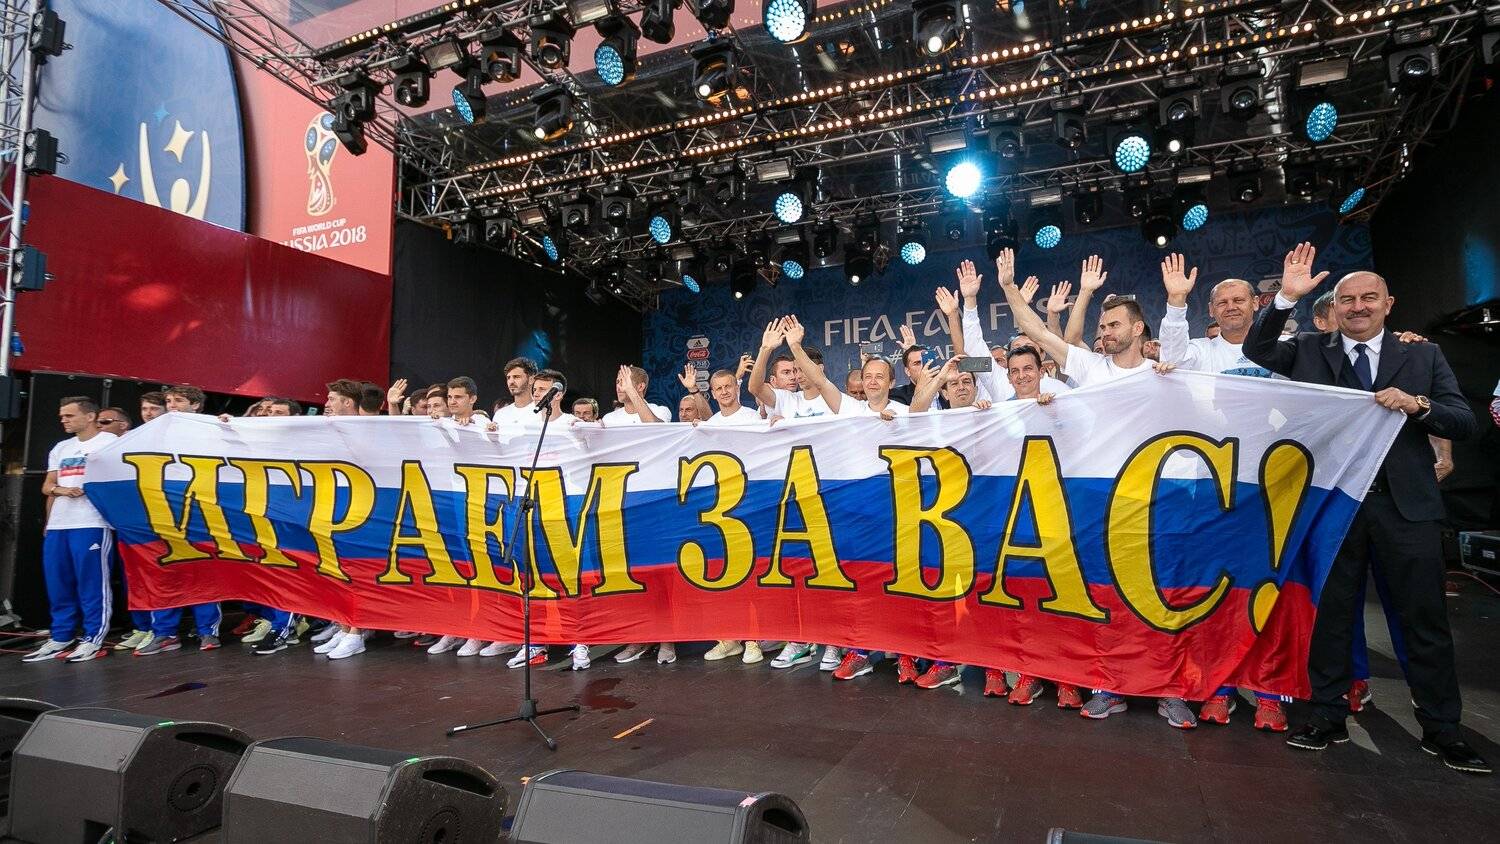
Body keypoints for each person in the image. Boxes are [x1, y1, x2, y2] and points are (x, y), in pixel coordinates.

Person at [1246, 243, 1485, 774]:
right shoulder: (1310, 350)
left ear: (1388, 304)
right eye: (1348, 299)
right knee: (1331, 617)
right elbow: (1259, 349)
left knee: (1423, 620)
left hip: (1407, 509)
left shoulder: (1422, 356)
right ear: (1335, 306)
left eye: (1368, 298)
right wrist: (1286, 297)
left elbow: (1463, 420)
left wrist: (1418, 405)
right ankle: (1326, 716)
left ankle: (1443, 729)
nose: (1357, 307)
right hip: (1334, 508)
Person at [991, 251, 1191, 727]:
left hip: (1158, 501)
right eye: (1102, 326)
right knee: (1104, 596)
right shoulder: (1091, 368)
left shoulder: (1165, 370)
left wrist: (1177, 303)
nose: (1105, 332)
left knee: (1163, 599)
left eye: (1114, 324)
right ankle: (1107, 686)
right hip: (1104, 503)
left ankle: (1169, 690)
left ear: (1138, 329)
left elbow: (1182, 352)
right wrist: (1008, 287)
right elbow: (1038, 333)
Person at [1155, 253, 1291, 729]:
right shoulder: (1200, 351)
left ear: (1257, 304)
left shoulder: (1285, 350)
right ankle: (1220, 687)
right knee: (1216, 589)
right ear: (1211, 311)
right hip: (1209, 487)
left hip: (1268, 486)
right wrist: (1176, 303)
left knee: (1264, 588)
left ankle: (1268, 692)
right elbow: (1172, 356)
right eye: (1222, 302)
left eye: (1239, 300)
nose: (1231, 307)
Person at [22, 398, 119, 663]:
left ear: (90, 416)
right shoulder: (61, 447)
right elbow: (47, 486)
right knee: (58, 583)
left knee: (91, 583)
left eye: (69, 415)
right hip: (59, 523)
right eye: (62, 416)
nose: (63, 420)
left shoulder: (109, 442)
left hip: (92, 522)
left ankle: (93, 637)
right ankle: (61, 636)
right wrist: (56, 503)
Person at [135, 385, 225, 656]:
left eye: (179, 400)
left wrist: (228, 425)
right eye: (169, 401)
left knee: (203, 571)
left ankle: (208, 631)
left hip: (201, 509)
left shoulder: (211, 428)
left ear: (195, 405)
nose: (172, 405)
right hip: (161, 509)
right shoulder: (152, 433)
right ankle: (165, 633)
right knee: (164, 572)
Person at [604, 365, 670, 424]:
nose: (619, 386)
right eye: (617, 382)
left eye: (625, 381)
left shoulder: (660, 411)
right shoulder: (609, 419)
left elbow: (654, 427)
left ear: (640, 387)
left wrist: (630, 390)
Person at [491, 357, 538, 424]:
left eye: (516, 377)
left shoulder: (543, 412)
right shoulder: (500, 414)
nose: (511, 382)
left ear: (531, 380)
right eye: (508, 378)